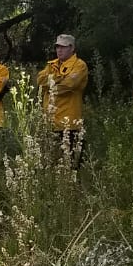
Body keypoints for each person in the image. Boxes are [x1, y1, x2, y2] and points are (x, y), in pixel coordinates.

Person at [37, 33, 89, 166]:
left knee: (72, 165)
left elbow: (69, 85)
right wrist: (59, 78)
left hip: (69, 123)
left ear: (72, 48)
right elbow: (39, 79)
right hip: (51, 122)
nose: (59, 50)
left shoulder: (79, 65)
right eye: (57, 47)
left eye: (63, 47)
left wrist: (51, 82)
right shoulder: (51, 64)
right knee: (52, 163)